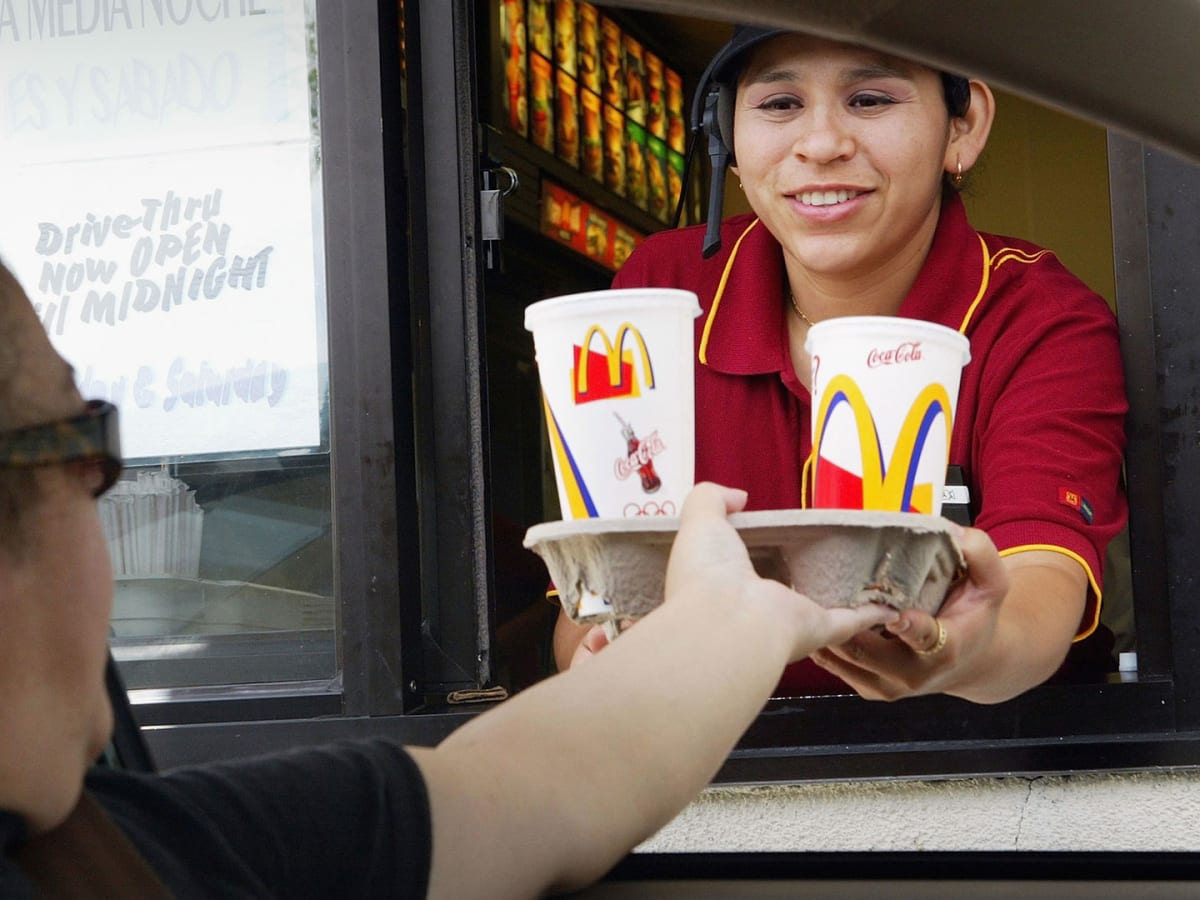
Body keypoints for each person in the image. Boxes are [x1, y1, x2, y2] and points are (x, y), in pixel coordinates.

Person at [0, 260, 932, 896]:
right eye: (91, 453)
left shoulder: (123, 844)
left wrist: (740, 611)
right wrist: (738, 609)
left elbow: (543, 780)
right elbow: (543, 789)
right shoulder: (164, 849)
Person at [553, 26, 1128, 705]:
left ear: (964, 125)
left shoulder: (1041, 317)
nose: (822, 144)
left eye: (870, 99)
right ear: (725, 135)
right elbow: (593, 597)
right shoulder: (665, 292)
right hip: (722, 746)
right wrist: (602, 663)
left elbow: (1040, 588)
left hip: (992, 754)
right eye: (779, 104)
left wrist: (962, 650)